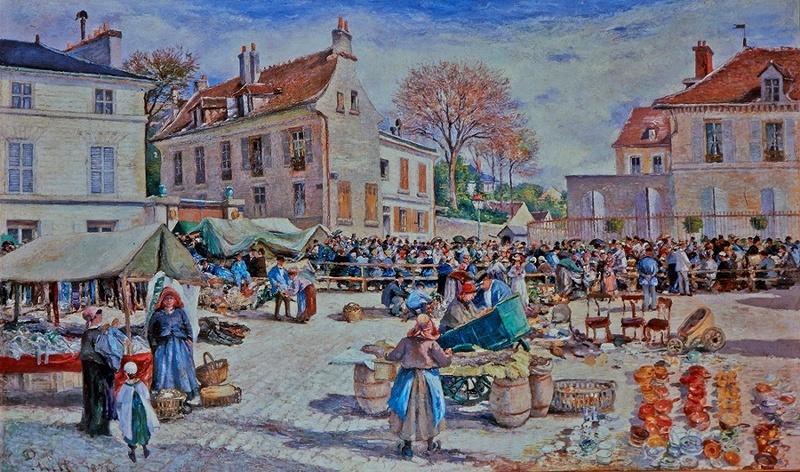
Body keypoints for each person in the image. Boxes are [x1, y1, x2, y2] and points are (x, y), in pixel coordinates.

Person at [386, 314, 453, 458]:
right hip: (427, 382)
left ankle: (408, 447)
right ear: (430, 326)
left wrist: (387, 353)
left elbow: (393, 356)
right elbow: (444, 362)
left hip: (407, 381)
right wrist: (448, 355)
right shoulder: (432, 344)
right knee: (430, 411)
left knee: (408, 411)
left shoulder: (405, 341)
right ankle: (430, 445)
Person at [147, 287, 200, 402]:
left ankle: (185, 393)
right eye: (166, 299)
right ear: (162, 300)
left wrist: (189, 338)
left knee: (181, 366)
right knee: (163, 368)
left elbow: (187, 326)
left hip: (179, 345)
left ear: (175, 300)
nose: (169, 301)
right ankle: (165, 395)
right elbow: (150, 331)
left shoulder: (180, 312)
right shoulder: (157, 314)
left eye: (171, 298)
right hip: (163, 345)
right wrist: (154, 345)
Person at [78, 307, 115, 437]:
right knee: (98, 396)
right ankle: (97, 426)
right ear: (94, 318)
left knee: (96, 396)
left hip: (95, 368)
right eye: (99, 315)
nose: (101, 317)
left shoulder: (92, 332)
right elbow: (95, 352)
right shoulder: (92, 333)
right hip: (96, 369)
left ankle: (96, 424)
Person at [116, 362, 159, 463]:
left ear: (127, 373)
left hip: (130, 413)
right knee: (142, 428)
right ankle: (145, 449)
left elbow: (120, 400)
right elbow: (146, 396)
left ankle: (133, 452)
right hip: (141, 410)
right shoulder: (140, 384)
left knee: (131, 429)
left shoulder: (125, 386)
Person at [268, 255, 291, 320]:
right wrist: (275, 284)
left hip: (284, 287)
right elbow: (270, 277)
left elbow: (288, 279)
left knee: (287, 299)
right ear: (277, 261)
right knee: (279, 299)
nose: (282, 263)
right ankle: (277, 314)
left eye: (283, 261)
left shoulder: (284, 270)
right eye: (281, 261)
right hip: (277, 287)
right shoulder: (274, 269)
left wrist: (288, 285)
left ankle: (288, 313)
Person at [637, 247, 659, 311]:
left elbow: (639, 270)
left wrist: (645, 275)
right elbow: (656, 270)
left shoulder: (641, 261)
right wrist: (651, 275)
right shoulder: (654, 261)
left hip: (644, 279)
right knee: (653, 292)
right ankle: (653, 306)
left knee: (646, 293)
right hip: (652, 279)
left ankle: (646, 307)